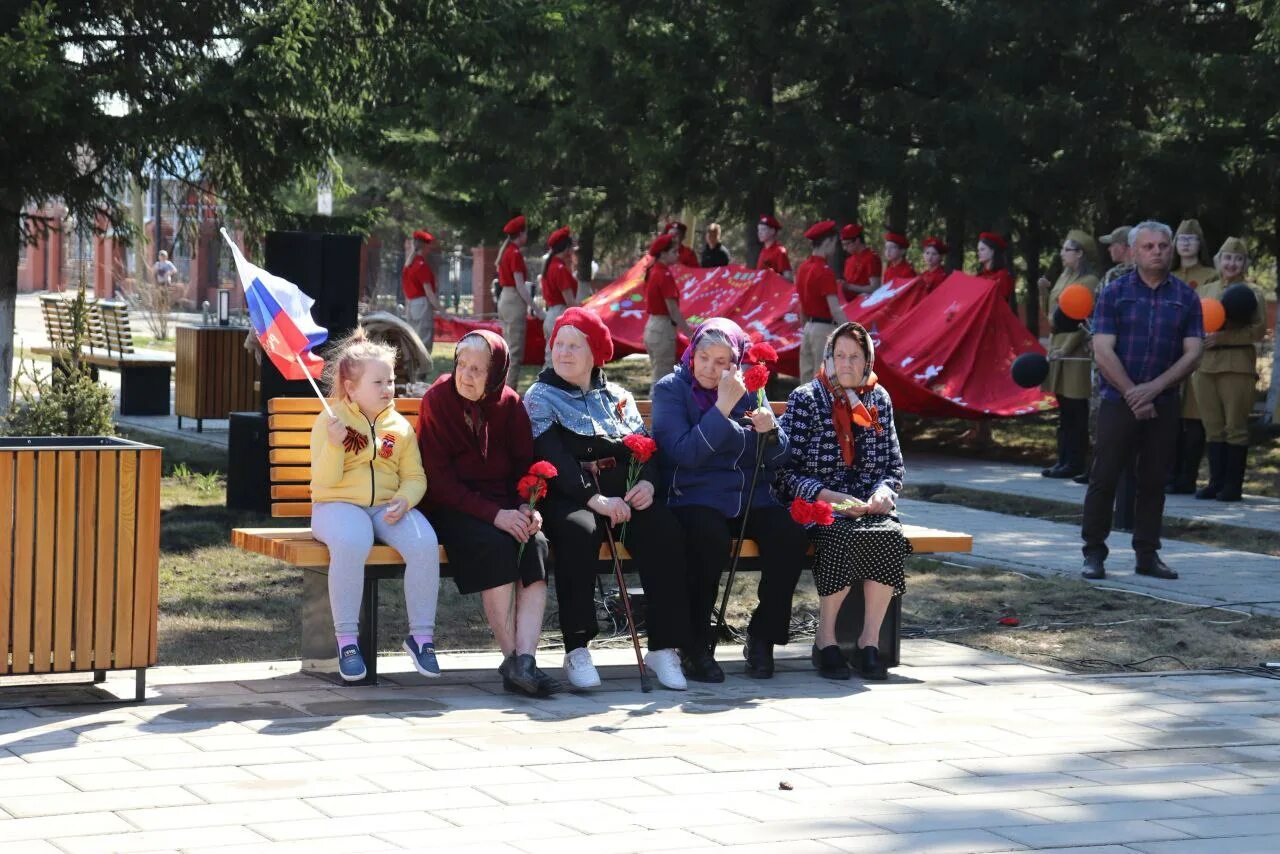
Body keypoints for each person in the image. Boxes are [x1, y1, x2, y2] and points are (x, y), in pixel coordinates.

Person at [524, 308, 698, 690]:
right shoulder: (540, 396)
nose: (563, 352)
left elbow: (645, 450)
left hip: (624, 493)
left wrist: (648, 484)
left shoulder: (617, 396)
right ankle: (578, 646)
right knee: (578, 532)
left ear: (595, 354)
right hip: (571, 496)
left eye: (574, 345)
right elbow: (552, 456)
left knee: (664, 529)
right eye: (559, 344)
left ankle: (664, 646)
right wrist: (595, 500)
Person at [651, 319, 807, 681]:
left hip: (749, 496)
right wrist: (722, 410)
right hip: (695, 495)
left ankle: (763, 637)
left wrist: (770, 431)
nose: (711, 368)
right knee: (708, 538)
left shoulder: (750, 390)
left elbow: (780, 454)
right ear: (691, 354)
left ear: (735, 364)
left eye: (722, 362)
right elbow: (684, 454)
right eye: (704, 357)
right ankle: (694, 646)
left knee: (789, 534)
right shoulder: (671, 390)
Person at [417, 330, 561, 696]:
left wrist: (528, 508)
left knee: (536, 544)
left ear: (496, 372)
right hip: (453, 507)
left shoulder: (510, 405)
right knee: (496, 546)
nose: (466, 375)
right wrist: (495, 515)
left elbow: (524, 468)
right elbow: (439, 483)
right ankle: (512, 657)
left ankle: (525, 661)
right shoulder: (438, 401)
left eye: (477, 369)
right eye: (461, 365)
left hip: (505, 505)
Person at [776, 322, 910, 681]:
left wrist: (884, 492)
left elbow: (893, 466)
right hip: (821, 504)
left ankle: (868, 643)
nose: (846, 363)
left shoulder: (878, 399)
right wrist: (828, 496)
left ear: (867, 360)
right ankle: (827, 639)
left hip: (867, 507)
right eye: (840, 356)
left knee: (889, 537)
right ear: (829, 359)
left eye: (855, 356)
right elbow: (784, 472)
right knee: (839, 534)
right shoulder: (807, 398)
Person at [309, 329, 440, 682]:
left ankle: (421, 637)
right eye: (378, 382)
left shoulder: (400, 427)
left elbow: (415, 476)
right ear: (351, 388)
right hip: (335, 507)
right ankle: (347, 640)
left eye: (391, 380)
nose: (388, 388)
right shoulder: (331, 420)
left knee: (425, 543)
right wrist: (335, 446)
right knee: (353, 540)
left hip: (385, 507)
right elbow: (323, 482)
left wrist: (406, 498)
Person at [1081, 221, 1203, 582]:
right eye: (1149, 246)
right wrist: (1134, 393)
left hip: (1163, 404)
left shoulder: (1185, 296)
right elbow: (1102, 349)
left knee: (1153, 481)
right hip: (1118, 402)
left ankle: (1147, 555)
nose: (1157, 252)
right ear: (1134, 252)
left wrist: (1153, 389)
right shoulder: (1115, 293)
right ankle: (1094, 554)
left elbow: (1194, 352)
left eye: (1163, 246)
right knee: (1104, 478)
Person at [1190, 237, 1266, 502]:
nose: (1231, 263)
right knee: (1212, 427)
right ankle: (1215, 482)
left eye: (1238, 259)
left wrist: (1222, 338)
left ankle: (1232, 486)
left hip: (1236, 365)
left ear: (1245, 263)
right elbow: (1192, 321)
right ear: (1218, 260)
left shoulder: (1253, 293)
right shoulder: (1204, 290)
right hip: (1205, 366)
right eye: (1227, 258)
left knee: (1235, 426)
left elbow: (1257, 330)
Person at [1037, 230, 1100, 479]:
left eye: (1067, 250)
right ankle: (1062, 459)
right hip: (1058, 347)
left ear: (1080, 253)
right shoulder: (1064, 277)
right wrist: (1044, 292)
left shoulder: (1090, 281)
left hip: (1075, 352)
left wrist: (1068, 346)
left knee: (1076, 408)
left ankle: (1076, 461)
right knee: (1063, 408)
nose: (1062, 254)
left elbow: (1085, 321)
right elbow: (1053, 316)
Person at [1166, 219, 1219, 494]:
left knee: (1194, 418)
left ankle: (1188, 477)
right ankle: (1170, 474)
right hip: (1170, 351)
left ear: (1200, 244)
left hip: (1198, 352)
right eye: (1181, 239)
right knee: (1171, 416)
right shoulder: (1167, 273)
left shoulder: (1211, 275)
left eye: (1191, 239)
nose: (1186, 243)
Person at [497, 215, 544, 389]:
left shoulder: (507, 251)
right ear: (521, 234)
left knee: (507, 350)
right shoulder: (515, 254)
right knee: (514, 353)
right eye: (525, 233)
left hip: (505, 299)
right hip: (514, 301)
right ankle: (508, 392)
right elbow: (520, 286)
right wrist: (536, 308)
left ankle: (502, 389)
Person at [643, 232, 693, 395]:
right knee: (662, 379)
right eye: (673, 251)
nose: (677, 255)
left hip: (653, 326)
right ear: (663, 254)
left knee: (659, 372)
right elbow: (673, 310)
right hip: (663, 328)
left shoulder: (654, 271)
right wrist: (690, 334)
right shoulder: (663, 274)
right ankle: (654, 416)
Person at [796, 220, 846, 380]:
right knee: (823, 380)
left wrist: (806, 327)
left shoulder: (803, 268)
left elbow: (801, 305)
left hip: (808, 328)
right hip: (823, 330)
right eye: (835, 243)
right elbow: (835, 310)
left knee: (805, 381)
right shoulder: (825, 271)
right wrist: (852, 331)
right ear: (828, 241)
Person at [402, 230, 444, 363]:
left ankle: (412, 370)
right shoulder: (422, 266)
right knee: (423, 341)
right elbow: (429, 293)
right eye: (429, 246)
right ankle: (420, 373)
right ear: (425, 246)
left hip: (411, 304)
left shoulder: (409, 265)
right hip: (421, 305)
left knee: (413, 339)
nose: (430, 249)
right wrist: (442, 310)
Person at [541, 226, 578, 363]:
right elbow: (570, 301)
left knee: (552, 358)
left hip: (551, 314)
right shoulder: (559, 268)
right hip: (560, 313)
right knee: (555, 361)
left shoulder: (552, 265)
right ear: (567, 248)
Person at [839, 224, 881, 299]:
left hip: (865, 303)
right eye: (843, 245)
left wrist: (849, 286)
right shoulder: (849, 260)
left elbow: (875, 287)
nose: (844, 248)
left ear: (857, 240)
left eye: (847, 244)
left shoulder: (871, 258)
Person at [976, 232, 1014, 302]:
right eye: (978, 250)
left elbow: (999, 301)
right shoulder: (979, 277)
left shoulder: (1002, 275)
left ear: (992, 251)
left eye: (982, 249)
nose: (978, 253)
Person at [756, 215, 792, 280]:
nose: (759, 233)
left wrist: (773, 276)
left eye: (763, 229)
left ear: (772, 231)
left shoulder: (779, 251)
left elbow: (789, 278)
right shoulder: (763, 251)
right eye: (758, 230)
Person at [1099, 225, 1134, 289]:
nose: (1109, 249)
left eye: (1112, 245)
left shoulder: (1144, 273)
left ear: (1122, 247)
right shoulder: (1112, 274)